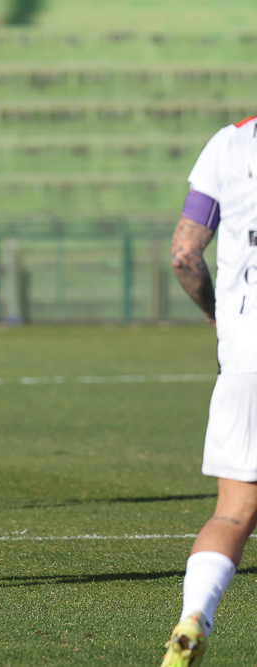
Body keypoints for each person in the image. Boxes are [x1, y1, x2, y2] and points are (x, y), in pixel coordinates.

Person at [159, 114, 257, 666]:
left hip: (244, 349)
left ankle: (194, 615)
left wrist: (219, 316)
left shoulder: (229, 142)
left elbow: (184, 253)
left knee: (233, 512)